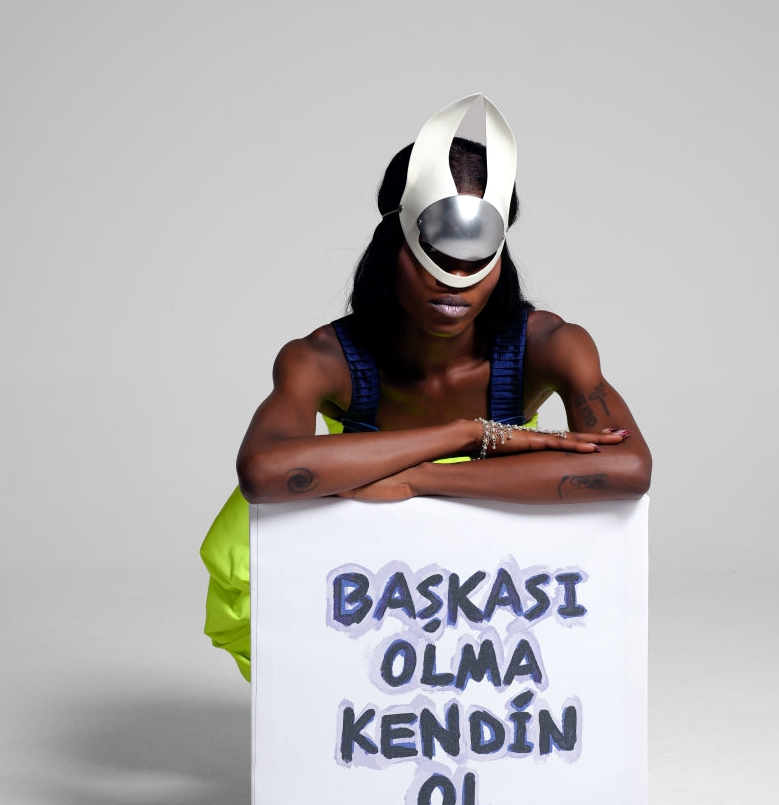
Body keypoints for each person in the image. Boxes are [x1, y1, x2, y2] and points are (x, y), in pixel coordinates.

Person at [201, 94, 652, 679]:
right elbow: (263, 473)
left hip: (495, 585)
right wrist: (465, 434)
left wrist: (420, 479)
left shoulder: (550, 345)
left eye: (475, 262)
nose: (455, 283)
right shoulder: (322, 357)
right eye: (435, 257)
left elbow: (629, 468)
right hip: (364, 582)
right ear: (393, 247)